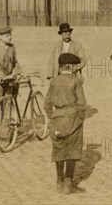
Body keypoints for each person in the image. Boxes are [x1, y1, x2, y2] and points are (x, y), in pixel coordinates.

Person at [44, 53, 87, 195]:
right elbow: (82, 104)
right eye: (74, 65)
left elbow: (46, 103)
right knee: (72, 152)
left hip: (57, 119)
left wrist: (52, 117)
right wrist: (80, 120)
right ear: (69, 66)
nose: (75, 68)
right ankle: (69, 184)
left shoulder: (54, 81)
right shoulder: (75, 81)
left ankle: (59, 183)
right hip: (72, 119)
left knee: (59, 151)